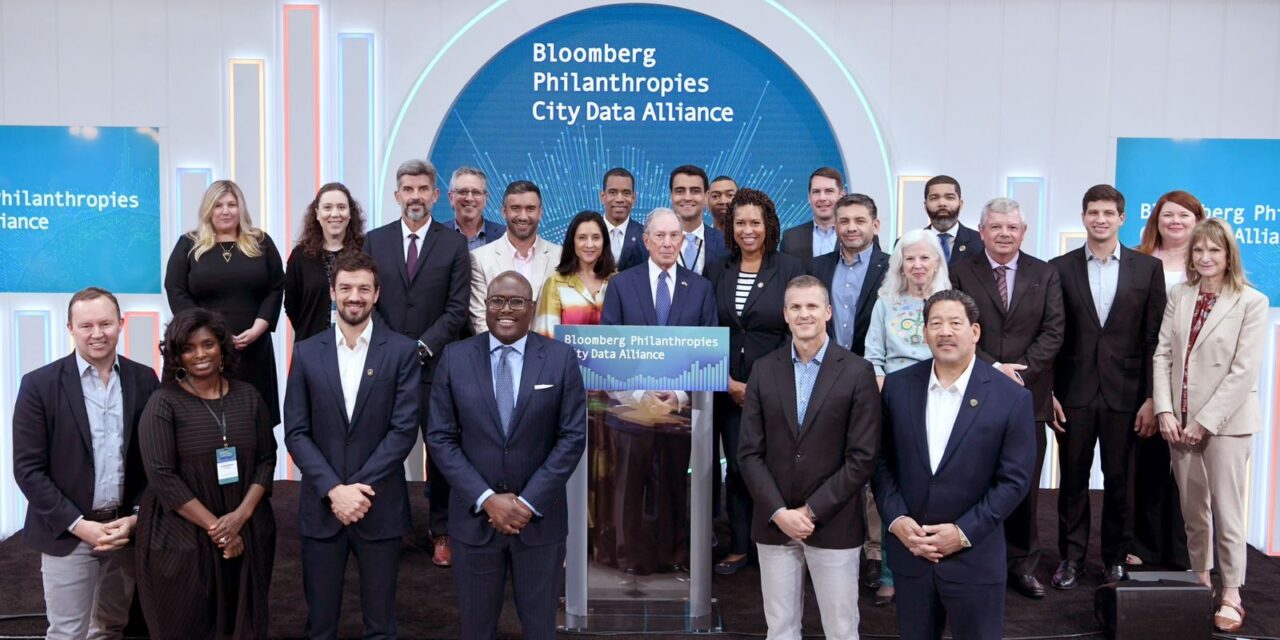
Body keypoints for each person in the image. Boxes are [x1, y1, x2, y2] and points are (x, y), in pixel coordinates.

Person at [427, 271, 587, 640]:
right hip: (473, 522)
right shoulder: (455, 357)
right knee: (476, 629)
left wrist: (527, 502)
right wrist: (486, 500)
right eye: (497, 301)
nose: (506, 310)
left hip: (540, 524)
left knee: (540, 629)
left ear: (531, 308)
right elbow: (440, 438)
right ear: (485, 306)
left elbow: (572, 437)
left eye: (516, 302)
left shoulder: (560, 359)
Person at [874, 289, 1036, 640]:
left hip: (975, 559)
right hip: (912, 556)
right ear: (925, 331)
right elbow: (881, 463)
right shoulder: (898, 387)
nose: (945, 332)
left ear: (974, 332)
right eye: (936, 324)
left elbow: (1014, 481)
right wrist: (898, 520)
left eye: (955, 323)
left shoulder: (1012, 398)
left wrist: (962, 533)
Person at [284, 253, 421, 639]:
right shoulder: (308, 351)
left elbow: (403, 430)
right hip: (322, 510)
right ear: (332, 293)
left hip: (379, 506)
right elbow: (296, 431)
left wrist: (356, 491)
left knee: (380, 627)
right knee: (320, 626)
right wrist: (334, 490)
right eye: (345, 288)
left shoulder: (401, 351)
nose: (354, 296)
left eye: (363, 288)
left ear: (377, 294)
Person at [12, 287, 160, 640]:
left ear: (121, 324)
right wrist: (80, 525)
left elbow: (156, 461)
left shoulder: (145, 380)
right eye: (86, 325)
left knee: (110, 629)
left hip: (124, 531)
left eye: (106, 323)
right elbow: (28, 470)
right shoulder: (39, 385)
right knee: (67, 632)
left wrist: (137, 517)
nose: (97, 333)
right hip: (68, 532)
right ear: (70, 328)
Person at [737, 275, 880, 640]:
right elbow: (749, 453)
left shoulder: (857, 371)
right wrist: (780, 512)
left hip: (833, 524)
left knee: (841, 630)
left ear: (828, 312)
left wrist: (810, 510)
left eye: (812, 306)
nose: (804, 314)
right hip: (775, 523)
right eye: (796, 307)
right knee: (780, 629)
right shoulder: (763, 369)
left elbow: (862, 458)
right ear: (785, 314)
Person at [1152, 218, 1266, 633]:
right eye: (1198, 250)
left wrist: (1204, 421)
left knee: (1227, 510)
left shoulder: (1250, 302)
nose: (1205, 258)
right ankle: (1200, 578)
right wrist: (1165, 409)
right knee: (1192, 509)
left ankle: (1232, 591)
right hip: (1178, 422)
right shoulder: (1180, 295)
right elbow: (1162, 355)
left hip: (1226, 424)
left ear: (1228, 254)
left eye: (1213, 251)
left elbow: (1242, 372)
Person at [1049, 184, 1165, 589]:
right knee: (1073, 481)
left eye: (1108, 213)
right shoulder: (1058, 268)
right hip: (1073, 393)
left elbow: (1154, 339)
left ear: (1122, 218)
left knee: (1121, 481)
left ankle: (1115, 558)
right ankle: (1071, 558)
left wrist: (1154, 397)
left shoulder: (1147, 269)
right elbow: (1052, 335)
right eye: (1093, 212)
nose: (1100, 219)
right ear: (1083, 217)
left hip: (1128, 395)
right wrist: (1048, 393)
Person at [135, 308, 276, 639]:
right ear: (176, 355)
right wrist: (221, 531)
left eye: (208, 344)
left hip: (249, 529)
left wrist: (239, 519)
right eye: (188, 347)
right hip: (182, 538)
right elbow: (162, 477)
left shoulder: (249, 397)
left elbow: (267, 460)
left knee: (245, 626)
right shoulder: (163, 404)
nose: (200, 354)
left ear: (222, 347)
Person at [948, 197, 1064, 599]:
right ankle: (978, 557)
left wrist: (1021, 370)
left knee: (1025, 487)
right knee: (975, 484)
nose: (1004, 234)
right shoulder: (961, 271)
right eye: (996, 227)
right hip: (975, 392)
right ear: (981, 231)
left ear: (1023, 232)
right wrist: (994, 368)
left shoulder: (1044, 273)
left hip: (1028, 397)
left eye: (1011, 227)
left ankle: (1022, 564)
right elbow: (957, 328)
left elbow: (1054, 331)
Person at [364, 158, 471, 567]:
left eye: (422, 189)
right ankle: (383, 528)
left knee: (441, 453)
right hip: (386, 367)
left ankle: (441, 531)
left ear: (435, 195)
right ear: (397, 195)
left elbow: (457, 309)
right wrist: (394, 348)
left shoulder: (453, 244)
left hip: (437, 368)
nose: (415, 196)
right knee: (382, 449)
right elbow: (367, 301)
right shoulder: (374, 242)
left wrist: (422, 347)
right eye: (408, 189)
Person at [600, 208, 717, 573]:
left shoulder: (700, 289)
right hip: (630, 409)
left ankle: (672, 557)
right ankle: (630, 558)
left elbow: (708, 350)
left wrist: (679, 396)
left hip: (678, 412)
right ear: (646, 240)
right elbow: (610, 346)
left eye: (674, 236)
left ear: (682, 242)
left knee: (671, 489)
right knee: (629, 490)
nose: (667, 243)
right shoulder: (622, 284)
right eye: (660, 236)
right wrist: (639, 396)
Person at [705, 189, 804, 575]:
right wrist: (728, 381)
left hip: (776, 387)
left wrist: (759, 385)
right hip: (726, 388)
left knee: (775, 466)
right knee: (738, 469)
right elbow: (706, 327)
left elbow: (794, 329)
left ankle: (778, 542)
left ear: (769, 226)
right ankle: (741, 545)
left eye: (755, 223)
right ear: (731, 227)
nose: (748, 230)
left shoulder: (791, 268)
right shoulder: (717, 268)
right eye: (741, 223)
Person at [861, 228, 949, 604]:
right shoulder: (885, 302)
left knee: (932, 483)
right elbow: (872, 357)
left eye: (924, 258)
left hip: (939, 398)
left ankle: (934, 567)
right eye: (909, 258)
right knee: (891, 485)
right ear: (900, 263)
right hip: (893, 400)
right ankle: (888, 573)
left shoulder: (949, 303)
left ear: (936, 263)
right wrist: (886, 390)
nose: (917, 265)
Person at [164, 179, 284, 426]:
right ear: (208, 209)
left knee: (255, 423)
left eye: (232, 204)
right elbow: (175, 289)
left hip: (253, 348)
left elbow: (276, 287)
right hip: (203, 351)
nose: (226, 211)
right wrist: (210, 335)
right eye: (218, 205)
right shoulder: (189, 243)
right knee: (206, 423)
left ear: (241, 208)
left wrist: (259, 328)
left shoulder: (261, 242)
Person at [1129, 190, 1204, 570]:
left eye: (1184, 216)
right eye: (1167, 215)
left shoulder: (1206, 265)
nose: (1175, 222)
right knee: (1149, 465)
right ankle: (1144, 544)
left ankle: (1186, 549)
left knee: (1190, 470)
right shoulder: (1139, 261)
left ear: (1197, 221)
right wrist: (1149, 395)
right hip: (1147, 371)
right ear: (1155, 220)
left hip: (1194, 377)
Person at [469, 180, 563, 333]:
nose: (523, 216)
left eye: (530, 209)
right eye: (515, 208)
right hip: (498, 353)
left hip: (547, 351)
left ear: (540, 213)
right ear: (504, 212)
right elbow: (480, 318)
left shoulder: (560, 256)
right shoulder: (479, 259)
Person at [807, 193, 890, 356]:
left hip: (873, 369)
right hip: (825, 367)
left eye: (860, 221)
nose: (851, 228)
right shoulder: (816, 267)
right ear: (836, 226)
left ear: (875, 226)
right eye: (844, 221)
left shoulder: (892, 268)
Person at [284, 182, 367, 341]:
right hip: (312, 345)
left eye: (341, 207)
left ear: (350, 213)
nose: (335, 214)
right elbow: (291, 306)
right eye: (327, 207)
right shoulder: (300, 256)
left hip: (358, 346)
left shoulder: (366, 250)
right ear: (317, 213)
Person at [535, 210, 616, 336]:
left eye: (596, 237)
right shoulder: (555, 283)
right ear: (572, 242)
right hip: (566, 356)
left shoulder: (617, 281)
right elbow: (546, 337)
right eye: (582, 238)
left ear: (604, 242)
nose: (589, 244)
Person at [781, 167, 846, 270]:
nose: (822, 198)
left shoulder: (854, 235)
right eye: (816, 192)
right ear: (809, 197)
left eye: (829, 191)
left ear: (841, 195)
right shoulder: (791, 238)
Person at [669, 164, 730, 275]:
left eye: (695, 191)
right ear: (671, 196)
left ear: (706, 197)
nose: (687, 198)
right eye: (680, 191)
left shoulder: (726, 244)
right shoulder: (652, 244)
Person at [921, 175, 982, 264]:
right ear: (925, 206)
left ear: (960, 204)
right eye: (934, 198)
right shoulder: (908, 243)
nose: (942, 203)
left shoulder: (981, 242)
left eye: (949, 197)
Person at [599, 167, 649, 272]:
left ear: (634, 198)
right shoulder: (588, 232)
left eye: (626, 193)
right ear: (603, 196)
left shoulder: (646, 235)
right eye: (613, 192)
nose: (619, 199)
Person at [447, 166, 506, 251]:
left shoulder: (505, 236)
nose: (469, 198)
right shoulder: (434, 237)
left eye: (476, 192)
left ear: (485, 199)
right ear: (451, 197)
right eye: (463, 192)